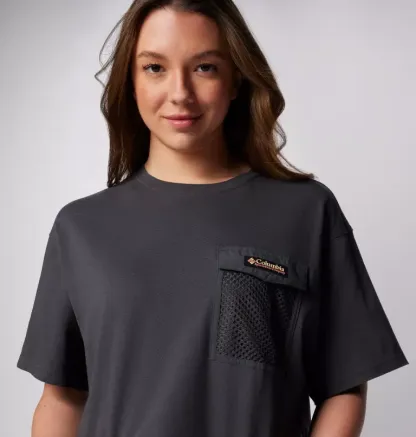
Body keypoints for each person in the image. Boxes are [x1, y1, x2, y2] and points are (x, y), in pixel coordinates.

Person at [16, 1, 408, 436]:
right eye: (154, 68)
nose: (180, 93)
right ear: (130, 81)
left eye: (204, 67)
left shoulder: (306, 212)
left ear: (236, 79)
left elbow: (344, 386)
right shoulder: (80, 228)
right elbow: (63, 399)